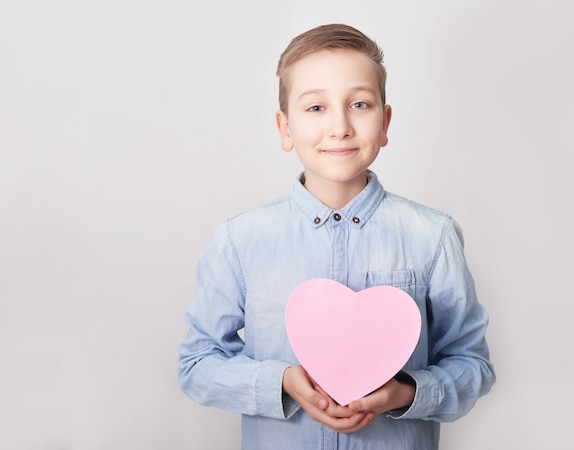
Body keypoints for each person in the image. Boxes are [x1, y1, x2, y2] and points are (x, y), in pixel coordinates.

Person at [178, 23, 495, 450]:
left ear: (384, 123)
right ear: (285, 127)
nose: (340, 126)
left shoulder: (432, 236)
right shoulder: (240, 240)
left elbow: (472, 363)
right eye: (315, 108)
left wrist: (404, 393)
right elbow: (198, 363)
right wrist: (283, 382)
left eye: (359, 104)